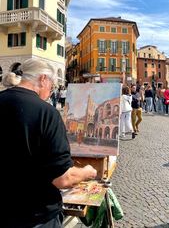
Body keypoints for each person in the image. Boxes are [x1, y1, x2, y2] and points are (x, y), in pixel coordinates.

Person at [1, 59, 97, 228]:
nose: (51, 91)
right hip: (35, 216)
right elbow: (62, 179)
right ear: (43, 79)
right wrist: (87, 172)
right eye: (51, 85)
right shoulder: (47, 113)